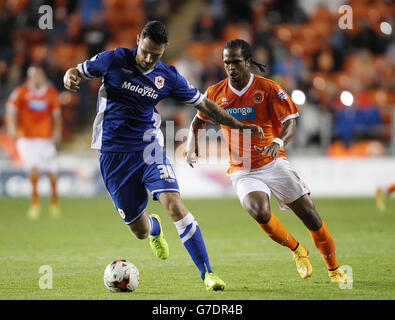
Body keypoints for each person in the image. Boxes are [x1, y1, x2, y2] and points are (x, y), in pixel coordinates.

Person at [63, 21, 263, 291]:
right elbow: (78, 71)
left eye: (155, 55)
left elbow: (204, 104)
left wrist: (237, 124)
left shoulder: (167, 76)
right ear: (138, 40)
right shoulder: (113, 59)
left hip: (148, 148)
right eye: (145, 51)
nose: (148, 59)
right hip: (113, 154)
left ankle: (208, 274)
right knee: (140, 231)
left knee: (174, 203)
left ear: (164, 50)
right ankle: (154, 228)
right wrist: (70, 75)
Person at [186, 39, 351, 284]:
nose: (230, 67)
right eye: (226, 62)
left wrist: (278, 142)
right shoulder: (215, 92)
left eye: (236, 62)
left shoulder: (269, 88)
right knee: (259, 211)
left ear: (248, 62)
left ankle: (334, 270)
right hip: (243, 170)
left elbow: (291, 121)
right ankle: (297, 250)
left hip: (273, 163)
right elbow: (199, 120)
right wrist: (192, 145)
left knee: (311, 217)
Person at [5, 65, 62, 220]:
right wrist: (12, 128)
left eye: (40, 74)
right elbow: (11, 111)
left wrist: (57, 131)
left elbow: (56, 115)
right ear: (29, 77)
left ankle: (54, 201)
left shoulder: (51, 93)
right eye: (35, 74)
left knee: (52, 170)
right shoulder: (20, 92)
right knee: (33, 168)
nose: (38, 77)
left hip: (46, 138)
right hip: (27, 139)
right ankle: (35, 202)